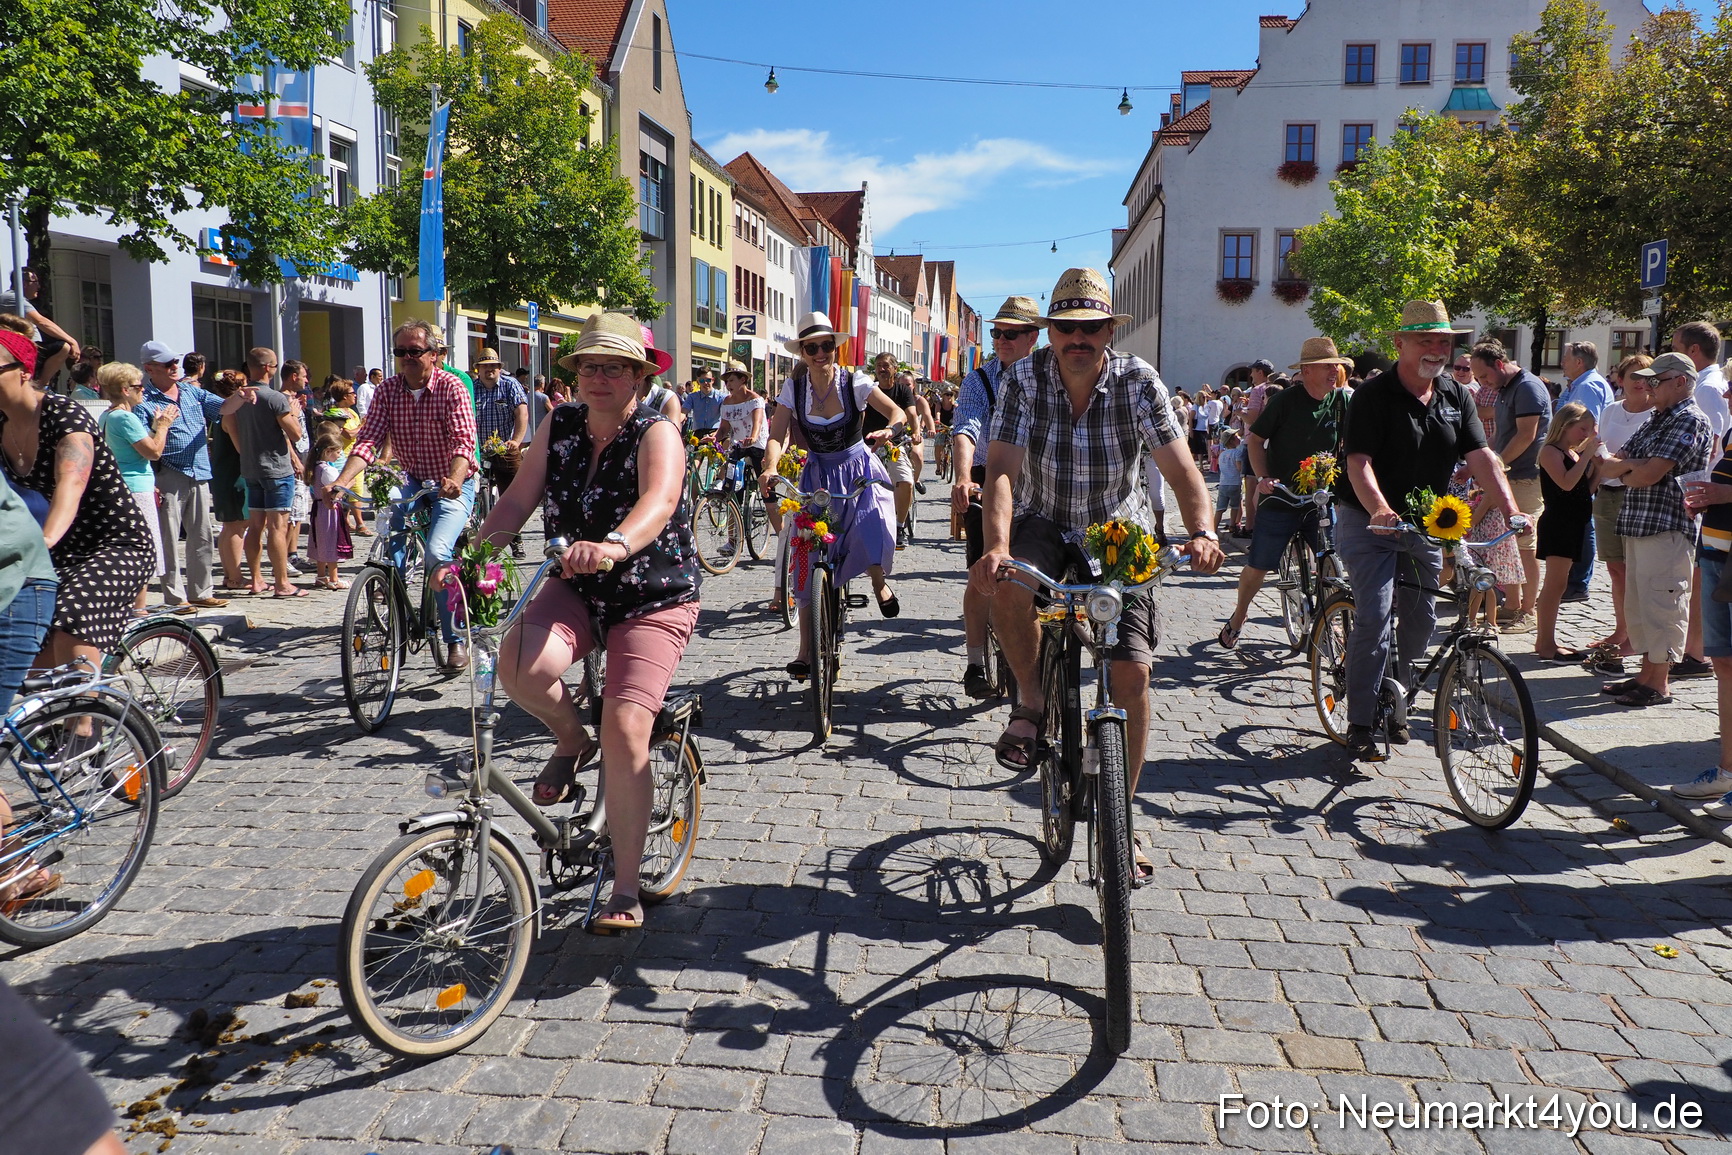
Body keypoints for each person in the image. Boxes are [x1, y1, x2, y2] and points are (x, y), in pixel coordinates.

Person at [969, 268, 1222, 871]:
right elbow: (1001, 468)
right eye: (1065, 327)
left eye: (1091, 328)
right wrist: (996, 546)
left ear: (1110, 331)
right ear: (1049, 332)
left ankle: (1121, 821)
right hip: (1045, 517)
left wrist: (1204, 531)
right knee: (1008, 582)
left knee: (1132, 678)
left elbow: (1184, 471)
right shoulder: (1025, 379)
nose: (1077, 338)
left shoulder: (1139, 381)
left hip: (1119, 529)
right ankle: (1030, 700)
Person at [477, 311, 699, 935]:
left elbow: (658, 503)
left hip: (650, 593)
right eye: (589, 366)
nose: (599, 377)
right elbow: (519, 499)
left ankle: (625, 882)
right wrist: (476, 556)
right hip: (574, 584)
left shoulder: (657, 433)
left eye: (615, 367)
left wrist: (615, 546)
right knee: (518, 666)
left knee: (627, 727)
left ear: (637, 377)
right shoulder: (561, 422)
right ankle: (571, 740)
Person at [1334, 301, 1522, 761]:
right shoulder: (1372, 396)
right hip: (1368, 520)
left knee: (1420, 617)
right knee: (1376, 614)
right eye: (1426, 340)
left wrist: (1514, 510)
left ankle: (1396, 689)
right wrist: (1378, 508)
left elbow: (1482, 457)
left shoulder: (1455, 395)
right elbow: (1358, 462)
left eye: (1444, 341)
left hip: (1425, 521)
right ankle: (1361, 719)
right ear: (1399, 344)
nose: (1437, 350)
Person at [759, 311, 908, 675]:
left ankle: (878, 582)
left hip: (857, 467)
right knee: (807, 556)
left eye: (827, 345)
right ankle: (806, 651)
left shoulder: (853, 381)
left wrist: (889, 431)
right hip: (818, 475)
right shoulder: (793, 389)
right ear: (803, 352)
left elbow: (896, 412)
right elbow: (777, 434)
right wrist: (770, 466)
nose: (821, 352)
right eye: (813, 347)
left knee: (871, 523)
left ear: (835, 349)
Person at [0, 328, 156, 674]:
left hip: (117, 543)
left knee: (72, 614)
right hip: (56, 551)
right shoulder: (1, 426)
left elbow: (71, 481)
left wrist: (45, 540)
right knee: (20, 635)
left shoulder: (62, 413)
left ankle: (85, 724)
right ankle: (47, 721)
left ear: (24, 371)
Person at [331, 320, 478, 670]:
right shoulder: (388, 391)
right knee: (390, 527)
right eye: (401, 352)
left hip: (451, 481)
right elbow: (368, 439)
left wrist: (455, 478)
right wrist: (341, 481)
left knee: (437, 553)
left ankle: (454, 636)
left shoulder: (452, 388)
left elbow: (463, 441)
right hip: (412, 478)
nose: (407, 358)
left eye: (415, 351)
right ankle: (394, 599)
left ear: (433, 354)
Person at [1597, 351, 1716, 708]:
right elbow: (1607, 466)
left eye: (1656, 380)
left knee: (1663, 605)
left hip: (1666, 527)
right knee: (1640, 607)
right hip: (1639, 523)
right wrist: (1634, 467)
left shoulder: (1689, 419)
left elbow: (1647, 473)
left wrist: (1630, 469)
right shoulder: (1657, 419)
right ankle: (1646, 675)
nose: (1648, 386)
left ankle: (1659, 683)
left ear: (1680, 382)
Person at [1218, 337, 1351, 649]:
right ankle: (1239, 616)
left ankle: (1330, 622)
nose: (1334, 370)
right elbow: (1255, 440)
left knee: (1333, 563)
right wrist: (1264, 477)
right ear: (1305, 370)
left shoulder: (1341, 401)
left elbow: (1349, 448)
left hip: (1319, 499)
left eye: (1336, 365)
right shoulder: (1285, 401)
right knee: (1260, 565)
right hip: (1281, 496)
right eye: (1326, 366)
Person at [950, 297, 1043, 697]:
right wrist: (962, 476)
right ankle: (974, 664)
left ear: (1032, 338)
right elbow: (966, 427)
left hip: (1038, 478)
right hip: (987, 478)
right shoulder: (979, 380)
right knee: (983, 571)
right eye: (997, 333)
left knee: (1041, 569)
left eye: (1011, 334)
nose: (1001, 340)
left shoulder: (1047, 375)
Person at [132, 341, 229, 609]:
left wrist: (242, 397)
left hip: (198, 471)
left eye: (176, 361)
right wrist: (160, 427)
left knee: (202, 535)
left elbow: (223, 408)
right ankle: (175, 597)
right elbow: (142, 443)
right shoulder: (144, 401)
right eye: (168, 364)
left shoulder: (190, 391)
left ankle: (201, 591)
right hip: (168, 473)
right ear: (149, 368)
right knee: (168, 537)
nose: (175, 367)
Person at [1470, 339, 1552, 633]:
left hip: (1525, 477)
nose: (1483, 383)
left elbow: (1526, 436)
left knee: (1525, 546)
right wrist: (1478, 463)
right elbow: (1501, 437)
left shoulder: (1527, 387)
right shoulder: (1505, 389)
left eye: (1484, 376)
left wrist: (1496, 464)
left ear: (1500, 365)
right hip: (1508, 475)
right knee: (1507, 545)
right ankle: (1512, 606)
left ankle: (1528, 612)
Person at [1672, 432, 1732, 812]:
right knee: (1724, 665)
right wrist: (1705, 502)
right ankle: (1727, 771)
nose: (1727, 395)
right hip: (1715, 552)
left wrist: (1724, 495)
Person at [1586, 355, 1654, 671]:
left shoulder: (1658, 413)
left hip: (1637, 496)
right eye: (1632, 375)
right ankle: (1621, 629)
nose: (1639, 381)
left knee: (1636, 571)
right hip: (1607, 493)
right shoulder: (1612, 409)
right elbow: (1596, 445)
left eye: (1645, 375)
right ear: (1620, 379)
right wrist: (1604, 462)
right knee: (1615, 570)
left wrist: (1620, 464)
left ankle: (1636, 637)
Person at [223, 347, 305, 598]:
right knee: (278, 528)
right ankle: (282, 583)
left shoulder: (241, 398)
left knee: (256, 526)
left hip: (251, 468)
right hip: (277, 470)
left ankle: (257, 580)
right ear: (269, 368)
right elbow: (296, 434)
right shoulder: (275, 398)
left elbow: (229, 425)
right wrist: (295, 414)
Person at [95, 363, 172, 615]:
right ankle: (139, 608)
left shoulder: (108, 415)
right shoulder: (125, 417)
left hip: (123, 485)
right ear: (126, 390)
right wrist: (163, 426)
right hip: (135, 489)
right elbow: (153, 451)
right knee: (143, 548)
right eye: (139, 387)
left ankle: (131, 605)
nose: (143, 392)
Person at [1532, 403, 1599, 661]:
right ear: (1565, 425)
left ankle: (1546, 640)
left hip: (1573, 522)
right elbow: (1566, 483)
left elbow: (1584, 490)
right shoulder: (1551, 451)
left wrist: (1598, 470)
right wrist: (1586, 457)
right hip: (1558, 523)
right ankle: (1546, 643)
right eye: (1582, 429)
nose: (1586, 435)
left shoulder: (1571, 454)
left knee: (1560, 585)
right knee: (1555, 585)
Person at [864, 353, 922, 549]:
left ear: (894, 369)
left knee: (905, 480)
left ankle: (899, 527)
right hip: (869, 445)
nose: (881, 369)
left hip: (894, 445)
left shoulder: (902, 391)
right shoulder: (869, 389)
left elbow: (911, 413)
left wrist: (916, 432)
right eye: (878, 366)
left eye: (885, 366)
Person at [472, 347, 530, 508]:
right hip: (477, 449)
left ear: (499, 368)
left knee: (514, 493)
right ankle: (472, 522)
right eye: (484, 366)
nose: (489, 369)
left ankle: (513, 528)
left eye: (493, 366)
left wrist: (516, 441)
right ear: (478, 368)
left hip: (504, 447)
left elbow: (522, 414)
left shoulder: (510, 385)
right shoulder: (472, 387)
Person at [0, 269, 79, 384]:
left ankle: (40, 385)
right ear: (24, 283)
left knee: (61, 349)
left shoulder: (18, 300)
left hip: (29, 349)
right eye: (35, 282)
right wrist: (72, 341)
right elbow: (41, 321)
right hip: (21, 351)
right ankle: (40, 387)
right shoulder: (12, 297)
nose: (39, 286)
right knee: (64, 347)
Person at [306, 433, 351, 591]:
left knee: (320, 541)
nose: (339, 456)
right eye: (337, 452)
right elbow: (335, 492)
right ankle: (333, 578)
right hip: (329, 510)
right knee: (331, 541)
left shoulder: (316, 467)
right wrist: (349, 483)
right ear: (327, 451)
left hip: (319, 509)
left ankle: (321, 575)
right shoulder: (327, 471)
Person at [715, 359, 766, 492]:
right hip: (738, 444)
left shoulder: (755, 399)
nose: (727, 384)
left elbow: (758, 422)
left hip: (757, 445)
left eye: (731, 380)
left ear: (743, 379)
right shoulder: (727, 401)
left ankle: (770, 506)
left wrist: (753, 437)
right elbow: (724, 428)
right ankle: (733, 509)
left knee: (765, 486)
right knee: (731, 485)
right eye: (726, 381)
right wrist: (714, 438)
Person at [1214, 429, 1246, 535]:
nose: (1239, 438)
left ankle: (1214, 527)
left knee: (1220, 508)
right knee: (1235, 506)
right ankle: (1233, 525)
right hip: (1235, 483)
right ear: (1232, 441)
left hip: (1223, 483)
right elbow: (1238, 466)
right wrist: (1243, 472)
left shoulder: (1222, 454)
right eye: (1236, 437)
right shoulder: (1237, 452)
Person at [681, 372, 726, 436]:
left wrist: (718, 433)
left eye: (708, 380)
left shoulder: (722, 397)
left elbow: (726, 417)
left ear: (712, 380)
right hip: (698, 433)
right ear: (698, 381)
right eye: (702, 380)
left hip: (716, 432)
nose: (705, 383)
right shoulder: (692, 397)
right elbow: (683, 412)